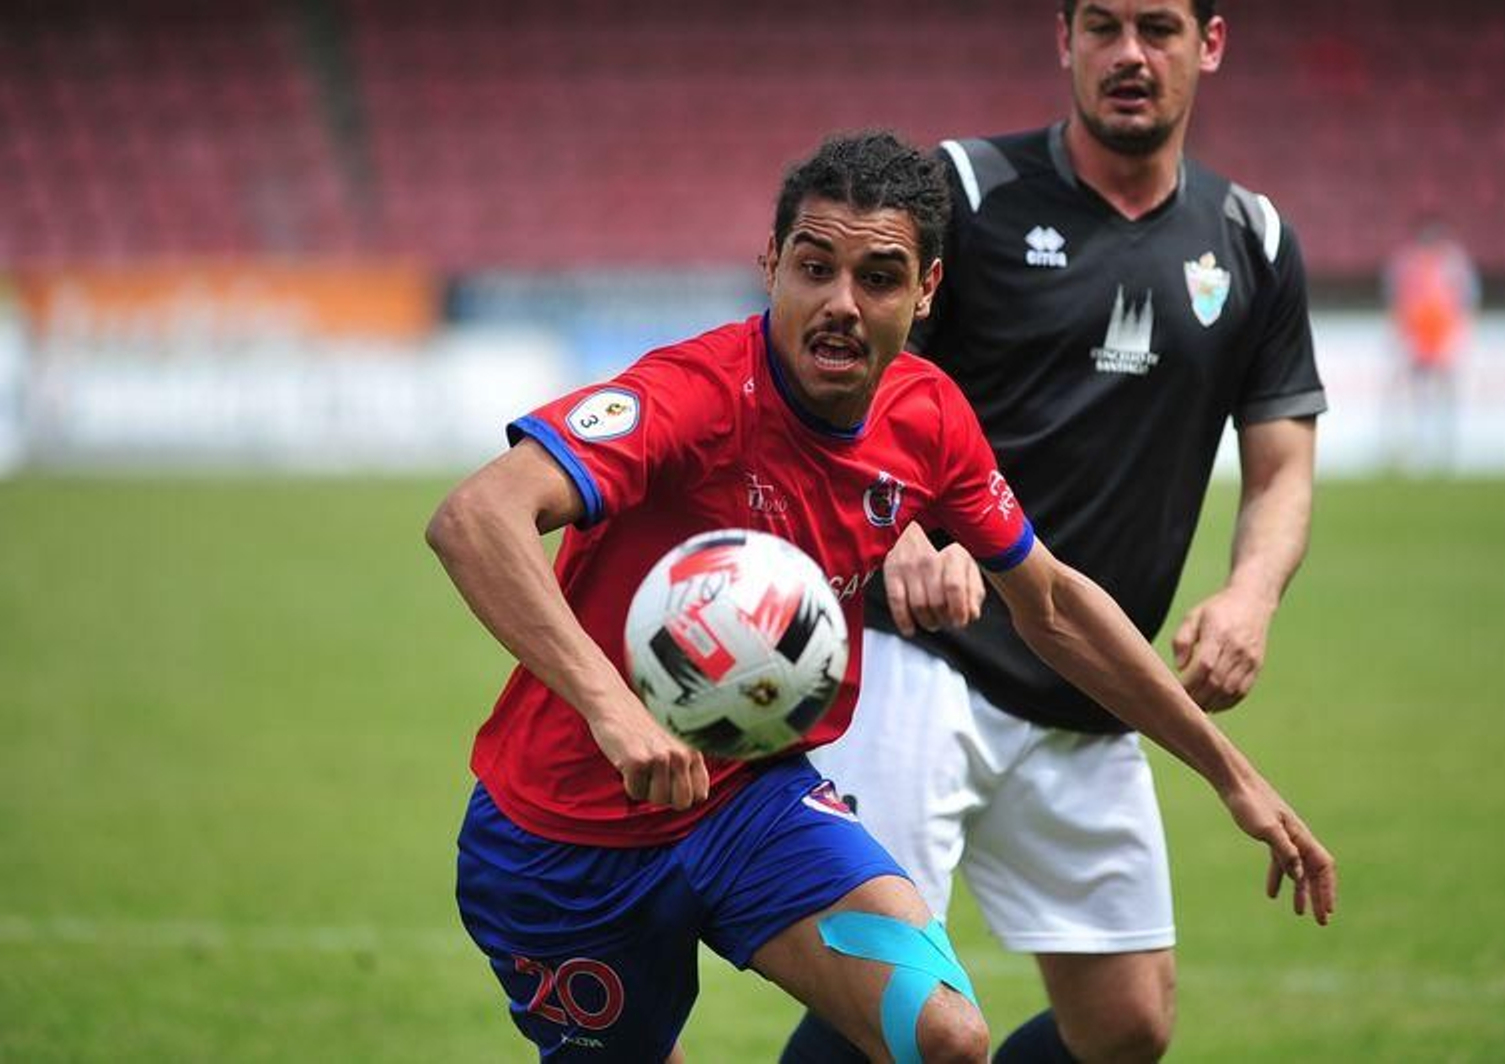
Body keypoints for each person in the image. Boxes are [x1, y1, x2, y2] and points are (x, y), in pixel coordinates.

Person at [428, 131, 1333, 1064]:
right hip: (560, 839)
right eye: (815, 268)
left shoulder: (927, 414)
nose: (841, 305)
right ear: (771, 264)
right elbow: (476, 518)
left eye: (880, 277)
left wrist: (1232, 774)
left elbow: (1051, 606)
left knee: (945, 1039)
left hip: (751, 803)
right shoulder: (691, 396)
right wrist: (616, 712)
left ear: (928, 291)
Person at [793, 4, 1329, 1062]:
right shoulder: (965, 194)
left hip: (1090, 678)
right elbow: (841, 379)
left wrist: (1249, 593)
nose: (1130, 55)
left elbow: (1280, 466)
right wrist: (891, 526)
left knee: (1127, 1027)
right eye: (1104, 27)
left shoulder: (1252, 241)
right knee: (887, 1014)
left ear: (1208, 43)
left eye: (1158, 28)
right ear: (1064, 39)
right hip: (921, 664)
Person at [1383, 215, 1479, 475]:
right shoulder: (1407, 263)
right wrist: (1402, 337)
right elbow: (1398, 301)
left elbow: (1466, 302)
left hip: (1443, 338)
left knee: (1445, 396)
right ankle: (1422, 450)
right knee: (1421, 398)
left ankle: (1447, 449)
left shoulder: (1454, 263)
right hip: (1418, 340)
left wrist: (1459, 336)